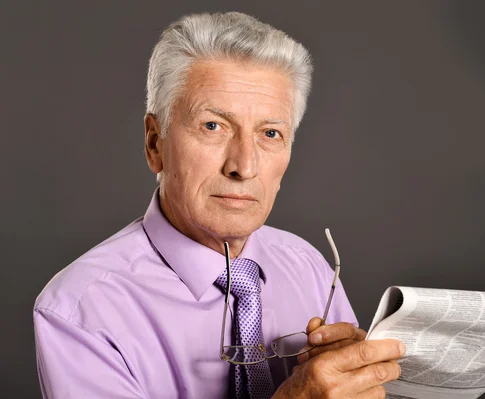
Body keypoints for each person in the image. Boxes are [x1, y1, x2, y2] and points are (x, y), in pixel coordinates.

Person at [33, 12, 405, 398]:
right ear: (155, 143)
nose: (243, 167)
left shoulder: (308, 266)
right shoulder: (80, 310)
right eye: (213, 126)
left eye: (270, 133)